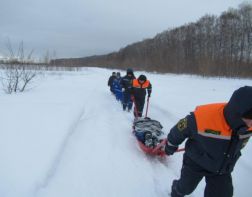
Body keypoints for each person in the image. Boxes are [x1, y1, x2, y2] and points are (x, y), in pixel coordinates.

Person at [164, 86, 252, 197]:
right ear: (237, 113)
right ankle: (176, 191)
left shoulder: (248, 125)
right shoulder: (202, 118)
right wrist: (170, 146)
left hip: (222, 168)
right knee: (185, 188)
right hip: (196, 162)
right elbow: (179, 130)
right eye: (250, 119)